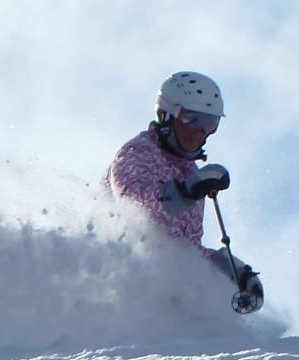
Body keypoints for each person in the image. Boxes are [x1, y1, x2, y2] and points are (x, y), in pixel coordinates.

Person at [104, 71, 262, 312]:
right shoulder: (137, 154)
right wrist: (187, 190)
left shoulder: (189, 172)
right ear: (167, 114)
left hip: (166, 296)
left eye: (210, 123)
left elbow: (186, 249)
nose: (200, 131)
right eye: (191, 119)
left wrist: (232, 270)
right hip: (121, 283)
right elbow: (137, 204)